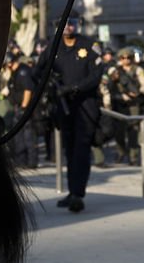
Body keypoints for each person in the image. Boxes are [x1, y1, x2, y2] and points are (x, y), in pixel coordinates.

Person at [35, 16, 102, 212]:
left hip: (85, 106)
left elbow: (96, 75)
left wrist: (74, 88)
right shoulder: (53, 47)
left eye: (71, 23)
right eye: (63, 24)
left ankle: (78, 194)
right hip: (63, 108)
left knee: (81, 150)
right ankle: (73, 191)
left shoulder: (89, 46)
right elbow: (38, 70)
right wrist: (51, 84)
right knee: (70, 150)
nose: (67, 27)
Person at [107, 48, 144, 164]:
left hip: (133, 104)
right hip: (119, 103)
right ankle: (121, 152)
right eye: (123, 58)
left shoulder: (137, 70)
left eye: (128, 58)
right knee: (119, 131)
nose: (126, 60)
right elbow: (107, 85)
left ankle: (133, 156)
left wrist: (136, 94)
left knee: (133, 130)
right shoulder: (115, 70)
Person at [4, 53, 38, 168]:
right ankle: (21, 161)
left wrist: (24, 108)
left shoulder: (23, 71)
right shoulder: (15, 72)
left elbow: (28, 90)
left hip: (25, 108)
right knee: (18, 136)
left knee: (28, 135)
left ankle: (32, 162)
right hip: (18, 106)